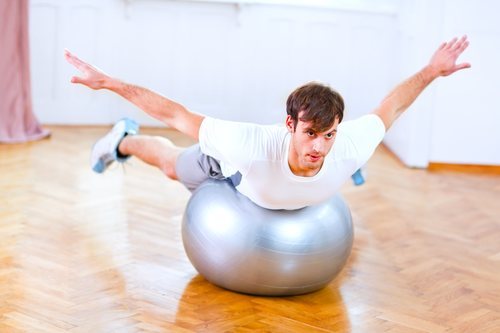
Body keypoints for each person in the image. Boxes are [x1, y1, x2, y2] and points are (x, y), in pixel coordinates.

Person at [65, 36, 470, 210]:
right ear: (289, 124)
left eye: (329, 135)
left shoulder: (348, 143)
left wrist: (432, 71)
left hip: (278, 184)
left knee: (347, 151)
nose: (319, 147)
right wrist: (109, 83)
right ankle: (124, 140)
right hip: (227, 170)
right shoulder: (249, 143)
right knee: (173, 166)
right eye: (310, 133)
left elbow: (393, 106)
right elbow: (175, 114)